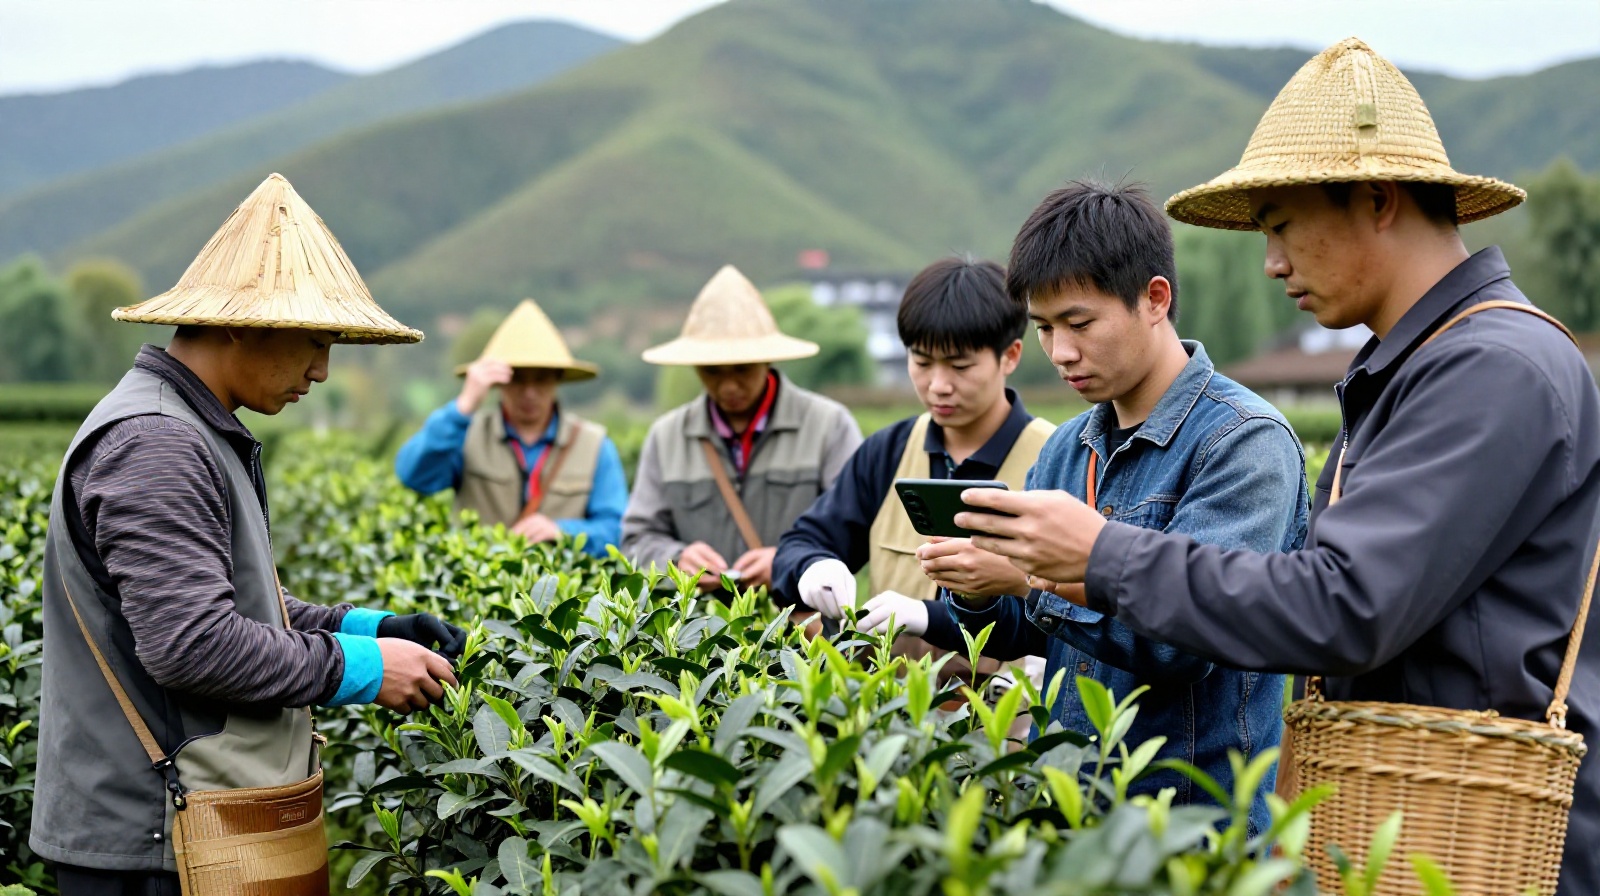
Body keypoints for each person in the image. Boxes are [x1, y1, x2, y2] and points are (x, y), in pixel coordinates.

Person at [956, 40, 1600, 892]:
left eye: (1282, 227)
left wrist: (1100, 558)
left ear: (1375, 199)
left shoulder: (1492, 366)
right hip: (1404, 820)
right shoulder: (1419, 365)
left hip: (1473, 834)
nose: (1271, 262)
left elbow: (1344, 604)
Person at [30, 174, 466, 895]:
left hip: (175, 830)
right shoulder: (157, 443)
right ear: (238, 321)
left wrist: (378, 627)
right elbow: (194, 643)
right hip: (154, 844)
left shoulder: (192, 428)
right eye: (314, 339)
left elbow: (235, 605)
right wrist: (363, 668)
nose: (322, 370)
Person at [867, 182, 1306, 832]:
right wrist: (983, 592)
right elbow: (1033, 630)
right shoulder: (1070, 449)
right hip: (1072, 806)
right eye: (1043, 328)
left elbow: (1185, 642)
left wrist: (1029, 581)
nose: (1061, 352)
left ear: (1155, 299)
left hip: (1192, 824)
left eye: (1079, 323)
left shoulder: (1243, 443)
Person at [773, 257, 1053, 686]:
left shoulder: (1056, 458)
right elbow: (802, 542)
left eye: (960, 366)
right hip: (894, 729)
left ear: (1010, 356)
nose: (938, 385)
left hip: (1012, 732)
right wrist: (813, 568)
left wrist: (927, 616)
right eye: (921, 362)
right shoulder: (889, 451)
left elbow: (1075, 613)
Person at [623, 265, 862, 595]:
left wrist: (790, 564)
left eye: (742, 369)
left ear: (767, 360)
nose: (728, 385)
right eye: (712, 371)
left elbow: (856, 529)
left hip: (801, 630)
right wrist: (677, 560)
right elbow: (637, 539)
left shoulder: (828, 426)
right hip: (698, 634)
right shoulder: (667, 437)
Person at [396, 299, 628, 556]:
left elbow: (616, 529)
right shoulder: (466, 434)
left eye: (540, 379)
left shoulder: (594, 444)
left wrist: (562, 532)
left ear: (557, 379)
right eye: (517, 378)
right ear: (499, 382)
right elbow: (413, 475)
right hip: (479, 588)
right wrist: (464, 406)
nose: (529, 392)